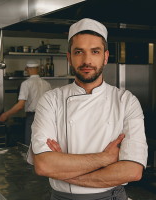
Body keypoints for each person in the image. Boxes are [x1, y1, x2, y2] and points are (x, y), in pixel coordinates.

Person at [27, 18, 148, 199]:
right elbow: (44, 165)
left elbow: (132, 171)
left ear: (105, 57)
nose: (87, 60)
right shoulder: (51, 100)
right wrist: (105, 159)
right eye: (78, 52)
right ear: (69, 58)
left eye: (95, 51)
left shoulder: (126, 101)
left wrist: (64, 169)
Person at [0, 60, 51, 145]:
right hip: (46, 117)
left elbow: (20, 105)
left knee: (29, 145)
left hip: (33, 117)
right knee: (42, 144)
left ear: (27, 69)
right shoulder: (47, 84)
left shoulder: (26, 84)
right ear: (38, 69)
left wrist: (6, 114)